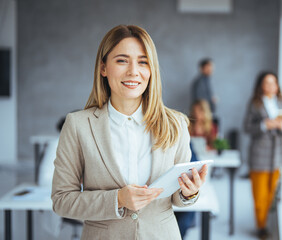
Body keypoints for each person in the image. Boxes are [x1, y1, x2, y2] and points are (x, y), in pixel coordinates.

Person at [51, 25, 208, 240]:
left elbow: (177, 198)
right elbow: (62, 201)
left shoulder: (176, 124)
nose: (133, 71)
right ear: (103, 68)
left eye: (143, 62)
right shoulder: (78, 125)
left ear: (151, 70)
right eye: (122, 60)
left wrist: (189, 192)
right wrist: (118, 199)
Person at [243, 71, 282, 238]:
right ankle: (261, 227)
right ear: (260, 86)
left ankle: (265, 222)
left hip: (277, 153)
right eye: (267, 83)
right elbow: (247, 127)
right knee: (259, 194)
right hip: (259, 154)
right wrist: (265, 125)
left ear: (277, 86)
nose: (271, 86)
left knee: (271, 192)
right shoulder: (255, 103)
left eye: (274, 83)